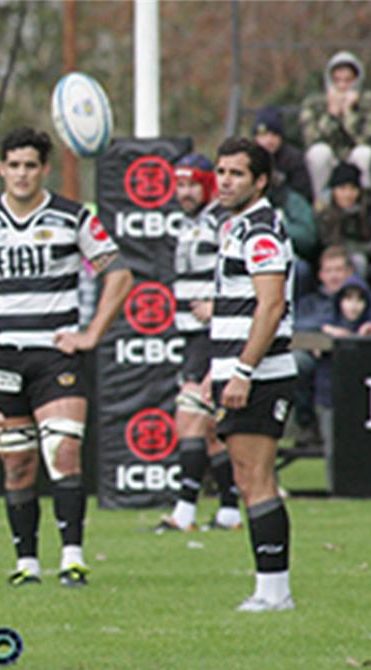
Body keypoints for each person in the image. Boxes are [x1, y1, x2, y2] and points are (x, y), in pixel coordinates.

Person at [0, 127, 131, 588]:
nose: (21, 174)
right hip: (2, 359)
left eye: (30, 165)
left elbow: (119, 274)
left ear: (44, 169)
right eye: (13, 165)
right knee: (17, 463)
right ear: (0, 168)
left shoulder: (73, 217)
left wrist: (92, 333)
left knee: (64, 452)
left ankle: (72, 558)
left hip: (56, 357)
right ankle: (27, 564)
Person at [209, 137, 298, 612]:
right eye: (221, 171)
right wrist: (218, 371)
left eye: (236, 173)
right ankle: (271, 588)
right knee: (247, 477)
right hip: (237, 370)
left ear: (260, 181)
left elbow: (271, 305)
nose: (224, 180)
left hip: (260, 374)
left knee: (257, 478)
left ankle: (274, 591)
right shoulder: (237, 227)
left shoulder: (260, 231)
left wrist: (243, 370)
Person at [156, 154, 242, 533]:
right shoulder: (188, 224)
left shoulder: (223, 222)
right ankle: (229, 512)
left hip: (215, 335)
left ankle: (184, 511)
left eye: (192, 184)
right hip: (192, 333)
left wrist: (218, 307)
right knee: (210, 430)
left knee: (189, 417)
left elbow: (245, 277)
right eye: (180, 184)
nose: (185, 192)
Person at [312, 276, 371, 488]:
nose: (353, 306)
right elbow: (302, 325)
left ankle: (366, 487)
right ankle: (334, 488)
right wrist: (326, 333)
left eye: (358, 300)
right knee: (333, 447)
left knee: (366, 448)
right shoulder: (326, 319)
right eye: (348, 300)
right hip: (330, 397)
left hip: (367, 398)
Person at [292, 246, 362, 446]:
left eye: (338, 270)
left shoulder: (365, 299)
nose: (334, 276)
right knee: (297, 362)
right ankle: (307, 425)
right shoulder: (310, 303)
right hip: (317, 362)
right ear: (321, 275)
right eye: (328, 271)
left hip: (355, 362)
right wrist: (325, 332)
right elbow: (297, 327)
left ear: (349, 273)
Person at [299, 50, 371, 195]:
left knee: (364, 154)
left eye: (348, 80)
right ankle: (320, 203)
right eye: (337, 80)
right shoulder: (315, 103)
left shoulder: (370, 102)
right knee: (318, 153)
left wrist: (349, 115)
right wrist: (331, 115)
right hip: (330, 159)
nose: (342, 86)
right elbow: (311, 140)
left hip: (354, 156)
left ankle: (367, 202)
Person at [317, 162, 371, 303]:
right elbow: (335, 244)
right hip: (341, 259)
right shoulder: (326, 213)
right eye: (342, 189)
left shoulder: (369, 204)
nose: (348, 194)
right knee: (358, 260)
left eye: (352, 189)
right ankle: (351, 301)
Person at [253, 106, 315, 204]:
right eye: (264, 135)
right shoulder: (248, 158)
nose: (269, 140)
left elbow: (303, 197)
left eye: (274, 135)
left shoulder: (293, 159)